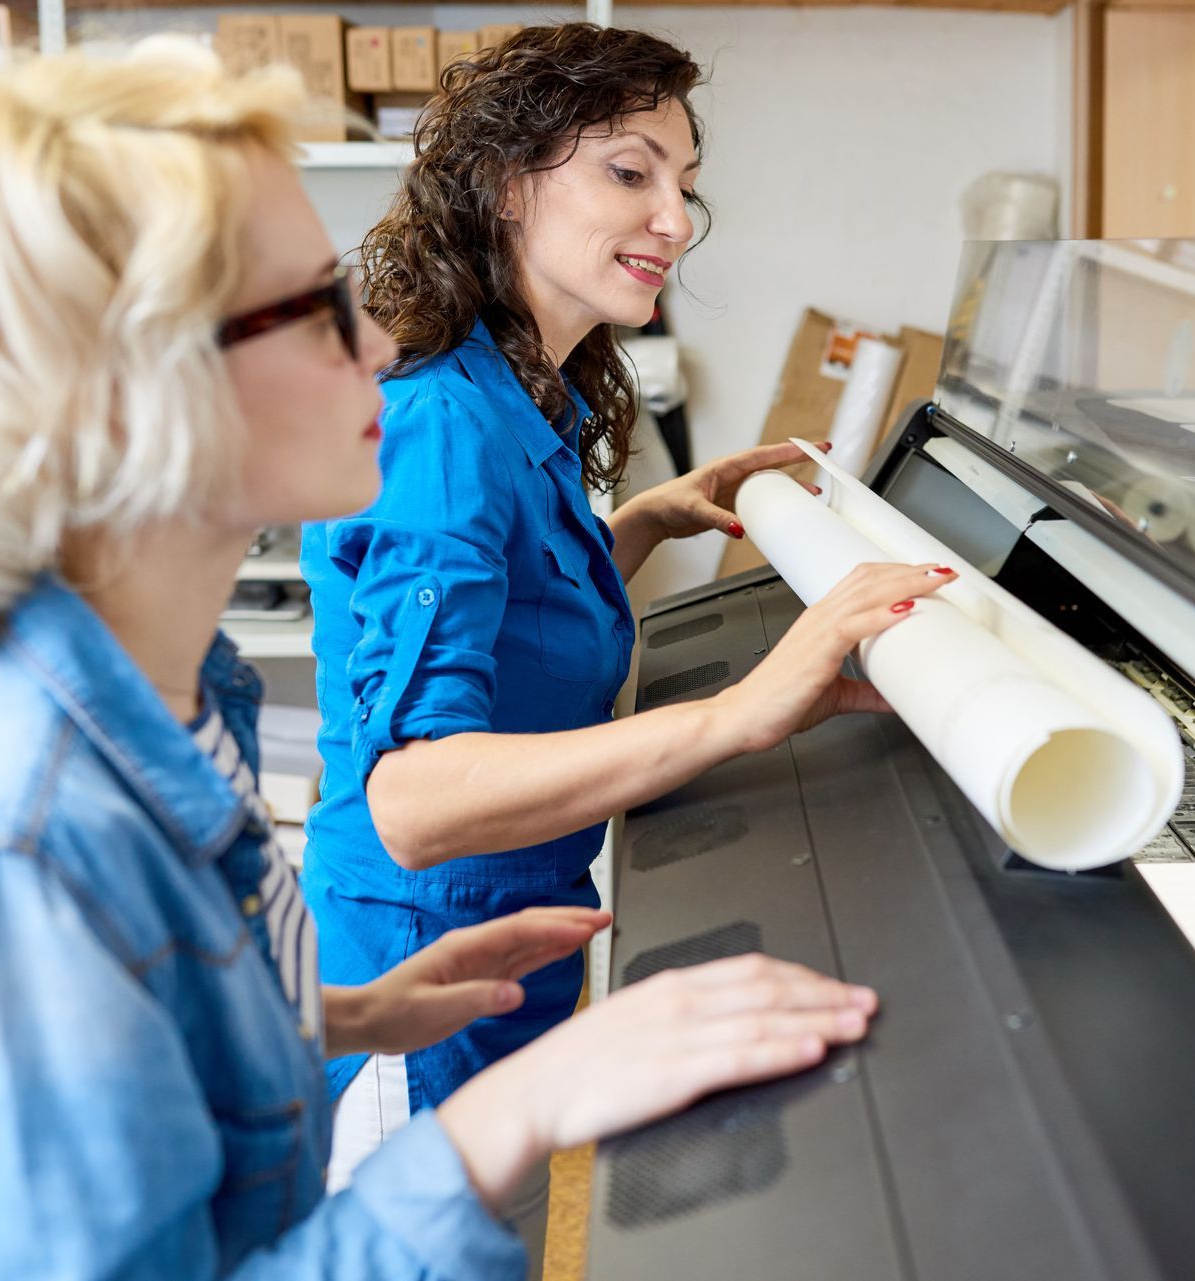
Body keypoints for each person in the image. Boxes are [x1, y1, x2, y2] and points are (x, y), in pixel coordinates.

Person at [0, 42, 886, 1279]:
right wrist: (517, 1109)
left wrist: (334, 1016)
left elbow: (142, 1042)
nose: (373, 353)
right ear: (125, 386)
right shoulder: (10, 857)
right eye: (311, 309)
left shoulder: (162, 701)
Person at [301, 18, 952, 1222]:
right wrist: (749, 709)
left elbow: (504, 621)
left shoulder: (513, 397)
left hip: (514, 942)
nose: (672, 220)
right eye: (628, 170)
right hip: (422, 967)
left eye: (685, 186)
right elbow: (415, 797)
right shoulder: (444, 428)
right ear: (506, 182)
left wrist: (644, 520)